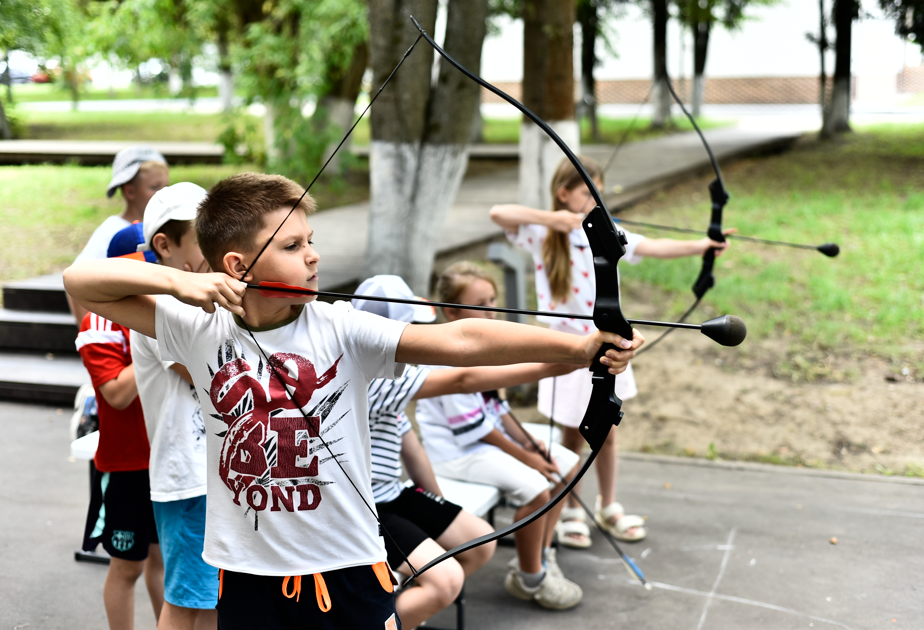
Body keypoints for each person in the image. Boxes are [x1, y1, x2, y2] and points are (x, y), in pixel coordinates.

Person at [63, 172, 643, 630]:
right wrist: (176, 282)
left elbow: (462, 339)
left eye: (310, 241)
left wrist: (581, 347)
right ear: (237, 266)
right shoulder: (196, 328)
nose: (312, 255)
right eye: (292, 245)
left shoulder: (342, 327)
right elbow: (79, 282)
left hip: (345, 570)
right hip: (245, 572)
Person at [489, 155, 732, 550]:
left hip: (606, 342)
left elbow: (652, 245)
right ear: (563, 194)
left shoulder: (608, 232)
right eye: (586, 192)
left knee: (607, 431)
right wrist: (555, 220)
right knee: (570, 433)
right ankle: (568, 511)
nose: (594, 200)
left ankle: (608, 503)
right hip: (565, 347)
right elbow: (499, 213)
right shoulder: (541, 233)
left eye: (597, 192)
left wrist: (702, 244)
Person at [353, 275, 578, 628]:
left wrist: (439, 507)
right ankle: (387, 616)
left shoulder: (390, 376)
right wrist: (564, 361)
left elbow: (410, 446)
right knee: (445, 582)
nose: (414, 333)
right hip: (369, 506)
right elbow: (463, 380)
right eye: (408, 326)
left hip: (393, 493)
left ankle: (402, 607)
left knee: (479, 543)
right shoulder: (371, 376)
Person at [415, 262, 586, 611]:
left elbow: (497, 407)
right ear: (451, 311)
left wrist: (527, 441)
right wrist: (527, 457)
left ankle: (542, 551)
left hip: (482, 441)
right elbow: (475, 428)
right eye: (481, 303)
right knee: (537, 488)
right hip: (456, 452)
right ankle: (530, 576)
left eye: (493, 300)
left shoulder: (484, 348)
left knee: (567, 465)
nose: (491, 311)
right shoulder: (445, 355)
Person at [130, 183, 218, 630]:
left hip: (213, 479)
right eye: (205, 239)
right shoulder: (157, 307)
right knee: (186, 602)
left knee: (213, 602)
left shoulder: (201, 304)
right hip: (188, 482)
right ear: (164, 246)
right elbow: (207, 370)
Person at [76, 224, 164, 630]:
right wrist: (159, 341)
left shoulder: (168, 309)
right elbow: (116, 394)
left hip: (171, 456)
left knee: (166, 562)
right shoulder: (100, 321)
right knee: (127, 566)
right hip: (127, 462)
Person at [68, 145, 169, 325]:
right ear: (129, 191)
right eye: (155, 187)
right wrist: (90, 334)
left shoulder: (163, 228)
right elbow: (75, 282)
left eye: (166, 187)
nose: (163, 194)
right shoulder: (112, 230)